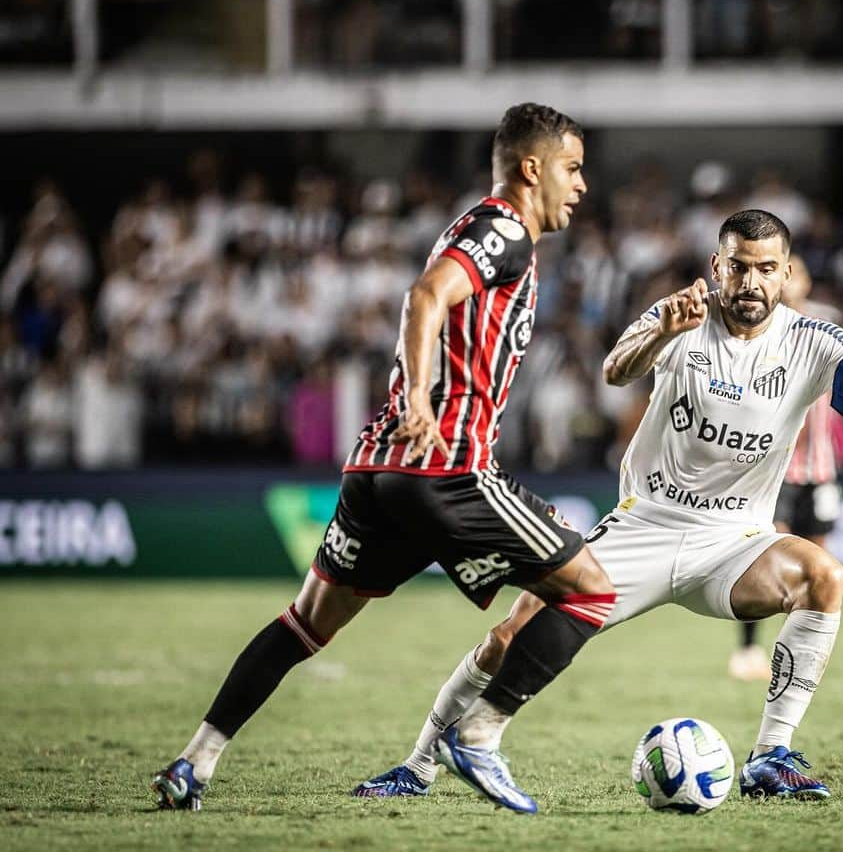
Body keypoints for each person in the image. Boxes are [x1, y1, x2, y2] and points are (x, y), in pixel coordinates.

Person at [356, 209, 843, 801]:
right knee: (511, 635)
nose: (750, 282)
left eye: (766, 269)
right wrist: (662, 329)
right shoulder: (684, 314)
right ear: (718, 266)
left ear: (786, 273)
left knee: (824, 576)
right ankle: (419, 764)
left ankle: (770, 757)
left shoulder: (814, 340)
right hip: (647, 523)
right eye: (738, 267)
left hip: (735, 542)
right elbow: (616, 370)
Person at [152, 103, 616, 816]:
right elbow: (426, 295)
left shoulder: (479, 228)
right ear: (532, 168)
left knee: (305, 623)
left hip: (378, 469)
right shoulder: (504, 230)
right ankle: (481, 734)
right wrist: (424, 400)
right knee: (589, 589)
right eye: (573, 168)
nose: (582, 185)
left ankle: (194, 762)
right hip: (447, 467)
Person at [728, 255, 843, 682]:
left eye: (797, 272)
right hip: (772, 470)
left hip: (821, 468)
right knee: (765, 559)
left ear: (804, 280)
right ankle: (749, 649)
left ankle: (795, 653)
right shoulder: (755, 328)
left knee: (817, 563)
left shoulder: (827, 326)